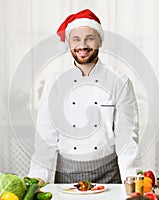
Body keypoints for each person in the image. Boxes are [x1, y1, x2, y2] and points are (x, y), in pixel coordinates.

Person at [28, 9, 142, 184]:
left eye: (89, 38)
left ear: (100, 42)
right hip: (66, 175)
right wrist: (37, 179)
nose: (83, 45)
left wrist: (133, 179)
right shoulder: (54, 83)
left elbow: (126, 137)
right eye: (76, 39)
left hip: (109, 174)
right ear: (69, 43)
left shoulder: (119, 81)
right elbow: (45, 138)